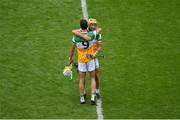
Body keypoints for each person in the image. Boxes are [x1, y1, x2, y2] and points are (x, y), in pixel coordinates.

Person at [69, 19, 101, 105]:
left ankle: (82, 98)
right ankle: (92, 97)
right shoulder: (91, 34)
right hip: (90, 59)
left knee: (81, 79)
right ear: (87, 26)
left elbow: (72, 50)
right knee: (93, 78)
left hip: (81, 61)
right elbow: (99, 30)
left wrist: (70, 58)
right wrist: (86, 36)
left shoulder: (75, 37)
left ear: (80, 26)